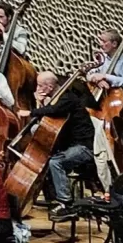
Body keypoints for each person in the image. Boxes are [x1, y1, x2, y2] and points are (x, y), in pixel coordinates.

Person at [25, 69, 101, 219]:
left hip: (84, 147)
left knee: (55, 162)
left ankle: (66, 203)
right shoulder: (59, 99)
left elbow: (53, 110)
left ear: (49, 87)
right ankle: (52, 198)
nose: (38, 89)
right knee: (49, 160)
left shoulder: (68, 98)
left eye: (40, 86)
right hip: (71, 146)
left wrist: (31, 112)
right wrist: (40, 103)